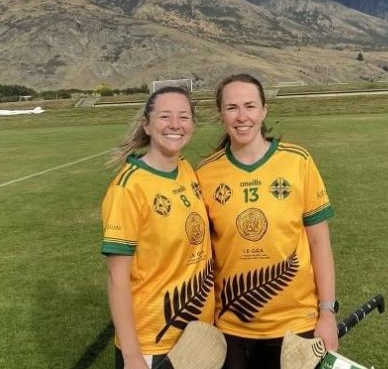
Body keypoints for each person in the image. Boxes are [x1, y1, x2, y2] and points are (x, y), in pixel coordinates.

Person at [197, 74, 338, 369]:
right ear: (221, 114)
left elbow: (319, 241)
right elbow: (202, 255)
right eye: (232, 107)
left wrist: (327, 313)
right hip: (231, 326)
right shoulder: (206, 173)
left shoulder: (298, 161)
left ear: (264, 110)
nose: (242, 116)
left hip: (296, 324)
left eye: (250, 106)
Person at [100, 86, 215, 369]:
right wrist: (132, 355)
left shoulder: (187, 170)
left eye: (184, 117)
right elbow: (117, 279)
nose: (175, 124)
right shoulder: (128, 189)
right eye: (165, 116)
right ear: (147, 125)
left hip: (199, 334)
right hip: (154, 344)